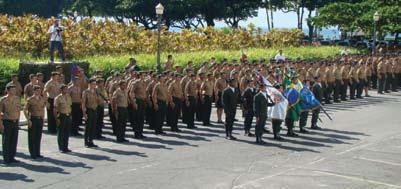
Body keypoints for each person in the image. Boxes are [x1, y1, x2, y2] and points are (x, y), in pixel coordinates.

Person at [23, 85, 46, 159]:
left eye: (39, 91)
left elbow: (43, 109)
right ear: (34, 91)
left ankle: (37, 152)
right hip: (33, 119)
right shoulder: (30, 99)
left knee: (38, 137)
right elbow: (24, 110)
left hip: (40, 119)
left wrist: (43, 118)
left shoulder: (42, 99)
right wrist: (28, 120)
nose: (38, 92)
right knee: (32, 137)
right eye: (37, 90)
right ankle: (32, 153)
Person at [0, 84, 21, 164]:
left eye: (14, 90)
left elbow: (18, 110)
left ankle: (12, 157)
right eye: (12, 90)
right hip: (6, 122)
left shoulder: (17, 99)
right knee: (6, 141)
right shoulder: (3, 100)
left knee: (14, 140)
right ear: (8, 90)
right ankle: (6, 158)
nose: (14, 91)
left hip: (15, 121)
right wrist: (1, 125)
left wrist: (18, 122)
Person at [54, 85, 72, 153]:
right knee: (61, 132)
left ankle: (65, 146)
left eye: (66, 89)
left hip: (68, 115)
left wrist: (70, 115)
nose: (66, 90)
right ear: (61, 90)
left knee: (67, 132)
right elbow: (55, 109)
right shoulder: (58, 98)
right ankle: (61, 147)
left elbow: (70, 106)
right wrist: (56, 119)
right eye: (64, 89)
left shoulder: (68, 96)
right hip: (61, 115)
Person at [82, 79, 100, 148]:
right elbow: (83, 103)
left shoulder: (96, 91)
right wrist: (84, 113)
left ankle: (91, 141)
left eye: (95, 84)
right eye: (93, 84)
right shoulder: (85, 92)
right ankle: (86, 142)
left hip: (94, 109)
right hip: (89, 110)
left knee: (93, 126)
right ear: (89, 84)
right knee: (88, 127)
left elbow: (98, 101)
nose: (94, 85)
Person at [129, 72, 147, 138]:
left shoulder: (144, 82)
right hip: (138, 101)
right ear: (139, 76)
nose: (144, 76)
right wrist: (134, 102)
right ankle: (137, 133)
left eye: (144, 75)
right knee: (137, 118)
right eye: (143, 75)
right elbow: (131, 93)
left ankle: (140, 132)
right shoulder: (135, 82)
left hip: (143, 101)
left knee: (142, 118)